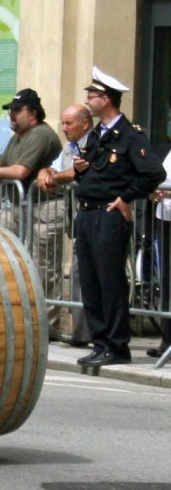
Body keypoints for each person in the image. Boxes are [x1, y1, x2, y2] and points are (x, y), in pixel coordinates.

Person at [74, 67, 166, 366]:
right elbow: (94, 171)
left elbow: (154, 173)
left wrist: (126, 198)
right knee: (90, 282)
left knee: (110, 282)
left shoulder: (129, 134)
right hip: (88, 214)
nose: (88, 99)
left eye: (93, 95)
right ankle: (100, 342)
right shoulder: (98, 135)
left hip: (109, 215)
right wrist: (78, 168)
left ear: (106, 100)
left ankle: (116, 345)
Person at [0, 88, 62, 336]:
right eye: (11, 110)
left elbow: (19, 171)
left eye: (17, 110)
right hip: (25, 205)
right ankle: (2, 307)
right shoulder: (17, 137)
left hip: (47, 208)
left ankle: (46, 325)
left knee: (44, 264)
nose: (11, 114)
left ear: (32, 113)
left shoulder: (40, 134)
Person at [36, 104, 94, 346]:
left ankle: (97, 334)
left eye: (69, 123)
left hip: (96, 215)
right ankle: (81, 334)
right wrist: (45, 172)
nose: (64, 128)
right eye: (63, 122)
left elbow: (75, 173)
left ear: (85, 124)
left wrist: (54, 177)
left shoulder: (96, 142)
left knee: (92, 275)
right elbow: (56, 167)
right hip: (79, 217)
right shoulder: (70, 147)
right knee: (81, 273)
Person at [147, 144, 171, 359]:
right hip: (165, 217)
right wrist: (155, 192)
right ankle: (167, 339)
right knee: (166, 281)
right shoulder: (168, 151)